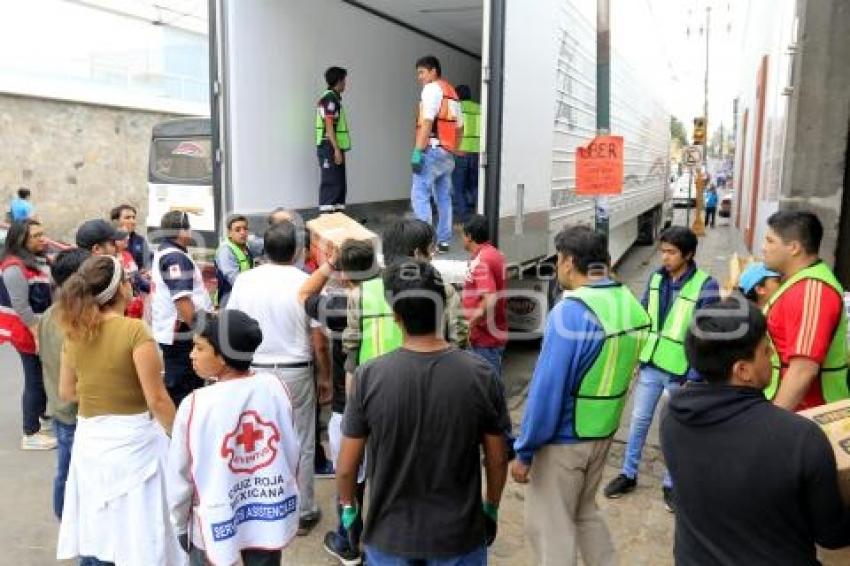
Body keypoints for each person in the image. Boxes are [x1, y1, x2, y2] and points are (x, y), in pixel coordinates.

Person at [338, 259, 509, 564]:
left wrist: (350, 511)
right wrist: (491, 508)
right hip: (459, 538)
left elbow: (348, 467)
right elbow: (496, 459)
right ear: (443, 308)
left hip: (389, 538)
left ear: (396, 315)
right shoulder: (481, 375)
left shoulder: (368, 377)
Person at [662, 298, 850, 564]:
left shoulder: (672, 415)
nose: (773, 355)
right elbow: (832, 536)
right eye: (765, 351)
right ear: (743, 370)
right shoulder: (799, 439)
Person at [512, 226, 650, 566]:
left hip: (563, 441)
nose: (558, 267)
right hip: (602, 432)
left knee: (551, 528)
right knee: (585, 513)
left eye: (558, 260)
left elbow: (547, 391)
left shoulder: (571, 312)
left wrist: (525, 450)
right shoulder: (627, 302)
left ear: (569, 262)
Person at [55, 254, 182, 565]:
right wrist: (183, 436)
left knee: (99, 529)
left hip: (91, 442)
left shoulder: (75, 331)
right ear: (121, 289)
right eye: (126, 279)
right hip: (135, 443)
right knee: (140, 530)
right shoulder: (134, 330)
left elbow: (67, 391)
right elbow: (157, 399)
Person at [168, 310, 301, 566]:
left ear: (223, 357)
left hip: (216, 523)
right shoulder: (275, 387)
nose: (191, 354)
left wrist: (179, 521)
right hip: (269, 515)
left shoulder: (195, 405)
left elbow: (181, 476)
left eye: (199, 348)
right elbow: (291, 450)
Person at [226, 221, 331, 536]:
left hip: (253, 370)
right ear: (298, 251)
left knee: (256, 441)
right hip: (295, 370)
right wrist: (325, 377)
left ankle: (259, 508)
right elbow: (319, 339)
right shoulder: (306, 282)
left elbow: (230, 322)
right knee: (301, 441)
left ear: (264, 250)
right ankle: (303, 512)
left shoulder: (245, 282)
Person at [604, 226, 719, 510]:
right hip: (651, 365)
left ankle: (670, 483)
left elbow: (705, 334)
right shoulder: (657, 278)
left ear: (688, 254)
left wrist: (693, 376)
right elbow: (644, 315)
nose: (664, 257)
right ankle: (628, 474)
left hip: (680, 373)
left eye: (671, 252)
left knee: (673, 429)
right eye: (663, 251)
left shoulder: (706, 285)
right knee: (639, 422)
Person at [298, 239, 378, 565]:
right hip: (389, 401)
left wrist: (329, 264)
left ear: (345, 275)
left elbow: (303, 294)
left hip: (350, 406)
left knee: (350, 477)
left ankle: (349, 541)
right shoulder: (392, 299)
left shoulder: (339, 305)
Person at [342, 217, 467, 378]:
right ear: (416, 254)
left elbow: (352, 357)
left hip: (376, 386)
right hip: (431, 382)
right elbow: (459, 338)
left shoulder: (361, 293)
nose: (433, 253)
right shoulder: (443, 289)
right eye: (430, 249)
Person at [761, 210, 849, 410]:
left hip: (810, 413)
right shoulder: (797, 281)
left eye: (770, 241)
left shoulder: (812, 289)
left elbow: (803, 370)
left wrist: (773, 424)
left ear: (794, 248)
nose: (763, 248)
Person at [38, 248, 90, 518]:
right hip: (72, 411)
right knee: (70, 473)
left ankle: (66, 521)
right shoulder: (68, 321)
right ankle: (68, 523)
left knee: (66, 470)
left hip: (62, 408)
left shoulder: (51, 313)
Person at [0, 219, 55, 450]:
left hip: (36, 327)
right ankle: (30, 432)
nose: (43, 239)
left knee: (41, 376)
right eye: (36, 236)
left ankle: (40, 417)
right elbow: (21, 306)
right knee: (34, 379)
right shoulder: (14, 266)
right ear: (21, 239)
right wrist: (36, 334)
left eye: (43, 234)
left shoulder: (34, 261)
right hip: (26, 330)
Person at [151, 211, 213, 408]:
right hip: (182, 334)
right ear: (181, 230)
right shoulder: (175, 257)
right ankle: (181, 431)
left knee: (184, 386)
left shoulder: (167, 252)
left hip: (174, 332)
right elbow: (182, 300)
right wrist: (199, 331)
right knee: (184, 390)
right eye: (189, 228)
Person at [410, 55, 463, 253]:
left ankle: (424, 242)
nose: (419, 77)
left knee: (420, 194)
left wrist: (417, 151)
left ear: (433, 71)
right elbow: (460, 128)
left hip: (431, 150)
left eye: (422, 72)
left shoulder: (431, 89)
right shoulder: (452, 93)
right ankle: (443, 240)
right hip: (447, 154)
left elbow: (427, 122)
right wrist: (453, 149)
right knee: (443, 197)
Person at [462, 214, 507, 376]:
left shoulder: (482, 261)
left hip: (484, 341)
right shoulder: (493, 253)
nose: (462, 238)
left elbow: (490, 299)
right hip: (490, 338)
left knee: (486, 392)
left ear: (469, 237)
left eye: (463, 234)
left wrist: (470, 324)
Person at [317, 66, 351, 213]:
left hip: (333, 146)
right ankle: (328, 219)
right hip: (329, 146)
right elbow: (329, 124)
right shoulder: (329, 99)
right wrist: (336, 149)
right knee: (331, 182)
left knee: (338, 183)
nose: (345, 84)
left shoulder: (334, 99)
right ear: (339, 81)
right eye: (344, 80)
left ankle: (338, 217)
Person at [452, 85, 480, 226]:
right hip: (476, 152)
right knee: (474, 185)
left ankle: (463, 218)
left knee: (459, 186)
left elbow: (453, 130)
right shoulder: (479, 108)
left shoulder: (457, 108)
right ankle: (478, 213)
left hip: (461, 152)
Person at [214, 214, 255, 306]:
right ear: (229, 233)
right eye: (238, 230)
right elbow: (234, 279)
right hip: (229, 301)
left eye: (245, 229)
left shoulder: (245, 246)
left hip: (243, 299)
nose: (243, 232)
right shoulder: (225, 251)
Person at [110, 204, 151, 271]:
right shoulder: (108, 241)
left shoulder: (141, 241)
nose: (132, 221)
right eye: (127, 218)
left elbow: (147, 264)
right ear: (116, 221)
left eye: (133, 218)